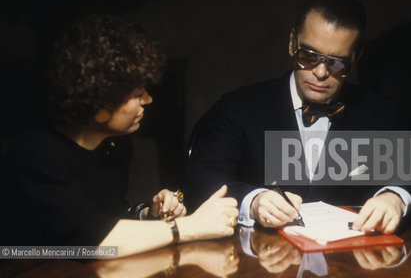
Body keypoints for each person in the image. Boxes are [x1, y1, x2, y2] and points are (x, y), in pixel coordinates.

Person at [184, 0, 411, 234]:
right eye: (309, 56)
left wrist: (395, 196)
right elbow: (201, 178)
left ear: (356, 59)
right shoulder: (239, 108)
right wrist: (254, 201)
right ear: (292, 44)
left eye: (337, 63)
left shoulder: (383, 114)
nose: (321, 73)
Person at [0, 15, 238, 257]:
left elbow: (109, 216)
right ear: (99, 102)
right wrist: (191, 226)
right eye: (137, 94)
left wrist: (149, 214)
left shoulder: (113, 145)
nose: (148, 100)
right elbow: (93, 241)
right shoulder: (37, 155)